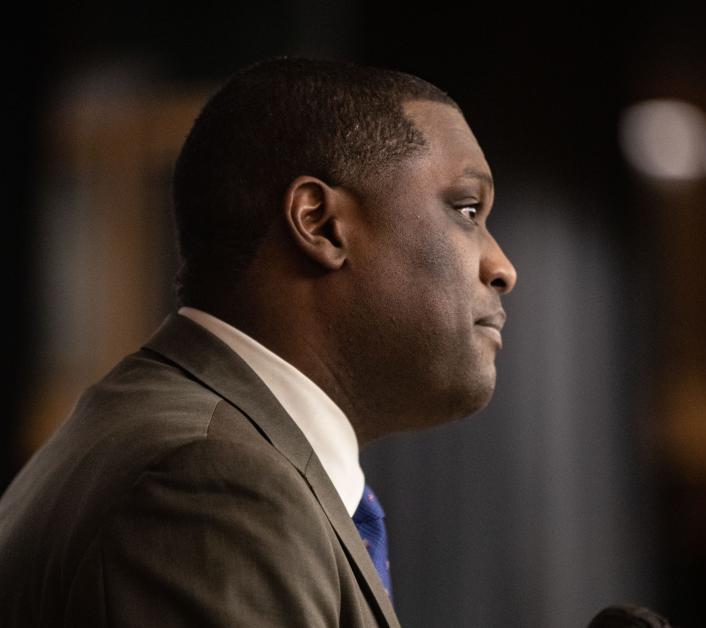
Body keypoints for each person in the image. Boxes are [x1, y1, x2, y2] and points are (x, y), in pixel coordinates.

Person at [0, 56, 517, 627]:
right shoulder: (209, 480)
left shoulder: (182, 439)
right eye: (467, 209)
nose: (502, 267)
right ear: (319, 224)